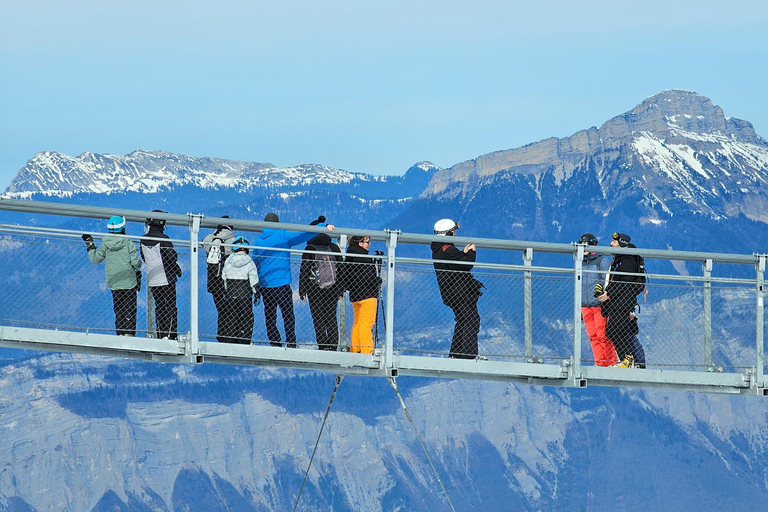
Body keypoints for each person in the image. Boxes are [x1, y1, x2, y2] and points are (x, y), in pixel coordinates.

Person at [252, 213, 335, 348]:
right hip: (282, 284)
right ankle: (291, 343)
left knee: (270, 316)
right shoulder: (282, 235)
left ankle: (275, 343)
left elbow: (254, 262)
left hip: (265, 285)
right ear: (277, 223)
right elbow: (303, 233)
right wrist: (322, 226)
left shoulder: (257, 242)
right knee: (288, 315)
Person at [431, 219, 483, 359]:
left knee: (463, 320)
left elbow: (455, 263)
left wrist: (462, 253)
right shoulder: (447, 249)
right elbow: (466, 265)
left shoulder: (440, 249)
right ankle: (468, 355)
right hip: (460, 292)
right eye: (453, 232)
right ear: (447, 233)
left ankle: (456, 354)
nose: (455, 235)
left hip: (451, 293)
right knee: (471, 320)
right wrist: (471, 252)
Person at [83, 215, 142, 336]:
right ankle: (129, 333)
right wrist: (138, 267)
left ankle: (119, 332)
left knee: (118, 308)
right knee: (130, 308)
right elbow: (135, 263)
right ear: (123, 227)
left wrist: (90, 245)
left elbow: (95, 259)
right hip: (128, 281)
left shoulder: (105, 244)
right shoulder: (128, 243)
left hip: (113, 281)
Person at [596, 232, 646, 368]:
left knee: (615, 331)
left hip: (623, 302)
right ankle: (627, 360)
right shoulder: (619, 261)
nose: (611, 244)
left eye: (614, 242)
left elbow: (625, 281)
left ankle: (629, 360)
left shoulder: (627, 261)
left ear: (622, 244)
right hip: (618, 301)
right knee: (618, 331)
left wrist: (608, 293)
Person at [299, 220, 344, 351]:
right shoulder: (334, 247)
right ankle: (333, 345)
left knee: (318, 318)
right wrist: (340, 290)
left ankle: (323, 346)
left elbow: (305, 270)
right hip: (333, 287)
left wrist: (302, 290)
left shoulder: (310, 249)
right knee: (330, 317)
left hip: (314, 289)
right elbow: (341, 269)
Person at [140, 210, 182, 340]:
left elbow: (144, 256)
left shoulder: (143, 240)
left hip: (152, 279)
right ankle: (170, 334)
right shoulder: (163, 239)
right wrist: (176, 268)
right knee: (170, 306)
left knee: (159, 307)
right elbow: (172, 257)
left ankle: (161, 333)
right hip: (167, 278)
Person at [578, 233, 618, 366]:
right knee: (592, 335)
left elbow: (606, 281)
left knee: (603, 335)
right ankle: (600, 362)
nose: (583, 249)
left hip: (599, 304)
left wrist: (604, 297)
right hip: (585, 304)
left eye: (585, 246)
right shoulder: (580, 263)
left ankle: (611, 362)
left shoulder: (602, 261)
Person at [344, 235, 381, 354]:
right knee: (367, 323)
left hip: (355, 295)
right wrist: (377, 280)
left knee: (357, 322)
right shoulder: (364, 258)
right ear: (360, 243)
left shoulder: (350, 256)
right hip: (368, 295)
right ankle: (367, 350)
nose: (369, 244)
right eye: (367, 242)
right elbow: (366, 277)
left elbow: (349, 278)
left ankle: (355, 348)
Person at [202, 217, 236, 342]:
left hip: (213, 281)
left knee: (220, 309)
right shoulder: (233, 241)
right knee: (230, 309)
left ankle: (221, 335)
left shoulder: (208, 239)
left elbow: (203, 244)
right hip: (227, 281)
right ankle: (229, 336)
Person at [221, 236, 260, 344]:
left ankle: (230, 338)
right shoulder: (250, 262)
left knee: (231, 316)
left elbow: (224, 277)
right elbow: (253, 278)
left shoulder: (228, 261)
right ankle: (244, 339)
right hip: (245, 294)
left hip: (231, 292)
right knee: (247, 317)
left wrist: (226, 290)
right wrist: (256, 294)